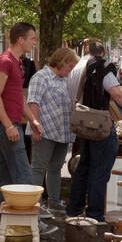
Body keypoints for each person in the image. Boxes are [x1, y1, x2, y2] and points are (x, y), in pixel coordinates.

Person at [66, 41, 122, 224]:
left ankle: (73, 209)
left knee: (84, 167)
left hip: (82, 122)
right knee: (99, 168)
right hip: (97, 124)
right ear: (103, 53)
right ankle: (95, 214)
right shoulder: (100, 66)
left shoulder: (77, 66)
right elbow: (116, 93)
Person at [0, 23, 42, 222]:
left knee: (5, 175)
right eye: (32, 38)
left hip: (12, 124)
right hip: (7, 126)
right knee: (24, 176)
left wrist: (33, 120)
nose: (34, 42)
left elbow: (18, 97)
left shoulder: (16, 62)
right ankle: (34, 222)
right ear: (21, 39)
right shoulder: (5, 61)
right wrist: (9, 125)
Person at [27, 47, 78, 218]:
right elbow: (33, 103)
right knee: (39, 168)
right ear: (62, 62)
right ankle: (35, 204)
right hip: (45, 130)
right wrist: (36, 127)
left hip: (62, 132)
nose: (70, 70)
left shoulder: (65, 79)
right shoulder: (41, 77)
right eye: (70, 66)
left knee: (55, 168)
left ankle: (54, 203)